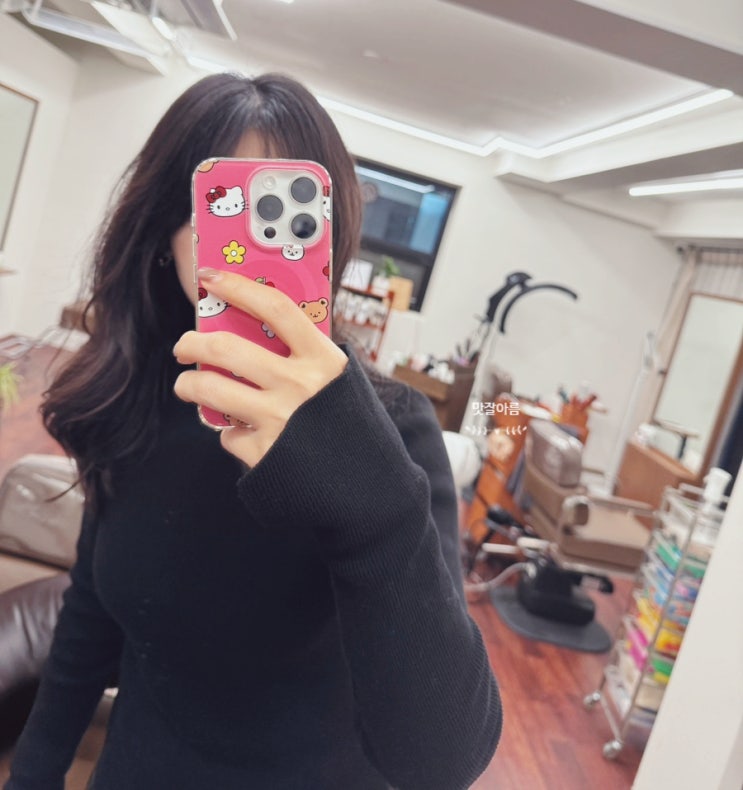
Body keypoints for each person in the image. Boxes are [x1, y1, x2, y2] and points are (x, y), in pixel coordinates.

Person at [5, 72, 502, 790]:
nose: (253, 250)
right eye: (222, 211)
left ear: (330, 240)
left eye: (290, 218)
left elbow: (440, 758)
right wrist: (34, 772)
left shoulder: (391, 429)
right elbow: (91, 609)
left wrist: (373, 503)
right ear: (164, 235)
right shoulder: (132, 402)